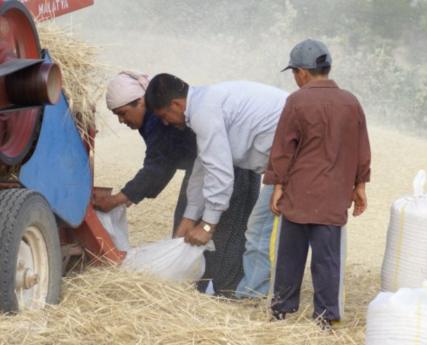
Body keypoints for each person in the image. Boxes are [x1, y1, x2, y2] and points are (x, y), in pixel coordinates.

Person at [93, 71, 261, 296]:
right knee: (185, 230)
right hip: (203, 170)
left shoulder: (156, 120)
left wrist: (117, 200)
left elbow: (159, 168)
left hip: (232, 171)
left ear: (141, 102)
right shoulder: (156, 117)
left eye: (123, 113)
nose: (122, 121)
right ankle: (197, 287)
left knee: (225, 234)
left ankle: (223, 293)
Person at [144, 75, 288, 297]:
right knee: (262, 229)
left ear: (176, 104)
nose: (165, 122)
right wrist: (189, 219)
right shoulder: (204, 102)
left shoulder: (203, 110)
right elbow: (203, 167)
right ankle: (258, 291)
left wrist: (208, 225)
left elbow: (221, 172)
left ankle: (252, 296)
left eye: (164, 116)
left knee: (259, 231)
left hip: (293, 158)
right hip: (282, 161)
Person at [264, 39, 371, 325]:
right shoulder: (350, 102)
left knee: (290, 256)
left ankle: (281, 310)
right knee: (327, 260)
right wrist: (360, 186)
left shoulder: (297, 101)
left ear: (302, 72)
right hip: (334, 196)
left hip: (300, 192)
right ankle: (324, 317)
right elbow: (361, 146)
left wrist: (277, 186)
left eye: (294, 73)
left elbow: (283, 149)